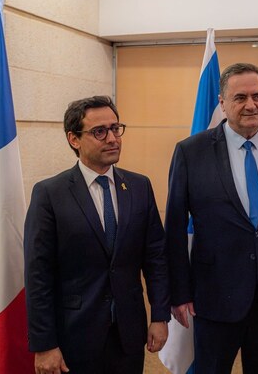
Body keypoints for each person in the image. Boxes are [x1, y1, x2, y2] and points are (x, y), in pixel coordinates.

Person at [165, 63, 258, 373]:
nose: (251, 105)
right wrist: (178, 293)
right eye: (240, 97)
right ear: (222, 103)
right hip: (215, 294)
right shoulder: (191, 152)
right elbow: (174, 229)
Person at [24, 96, 170, 374]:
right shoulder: (49, 194)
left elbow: (155, 258)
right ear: (74, 139)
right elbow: (37, 275)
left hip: (128, 332)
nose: (112, 138)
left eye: (116, 128)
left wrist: (160, 316)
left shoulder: (139, 186)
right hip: (74, 336)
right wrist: (44, 344)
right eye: (99, 132)